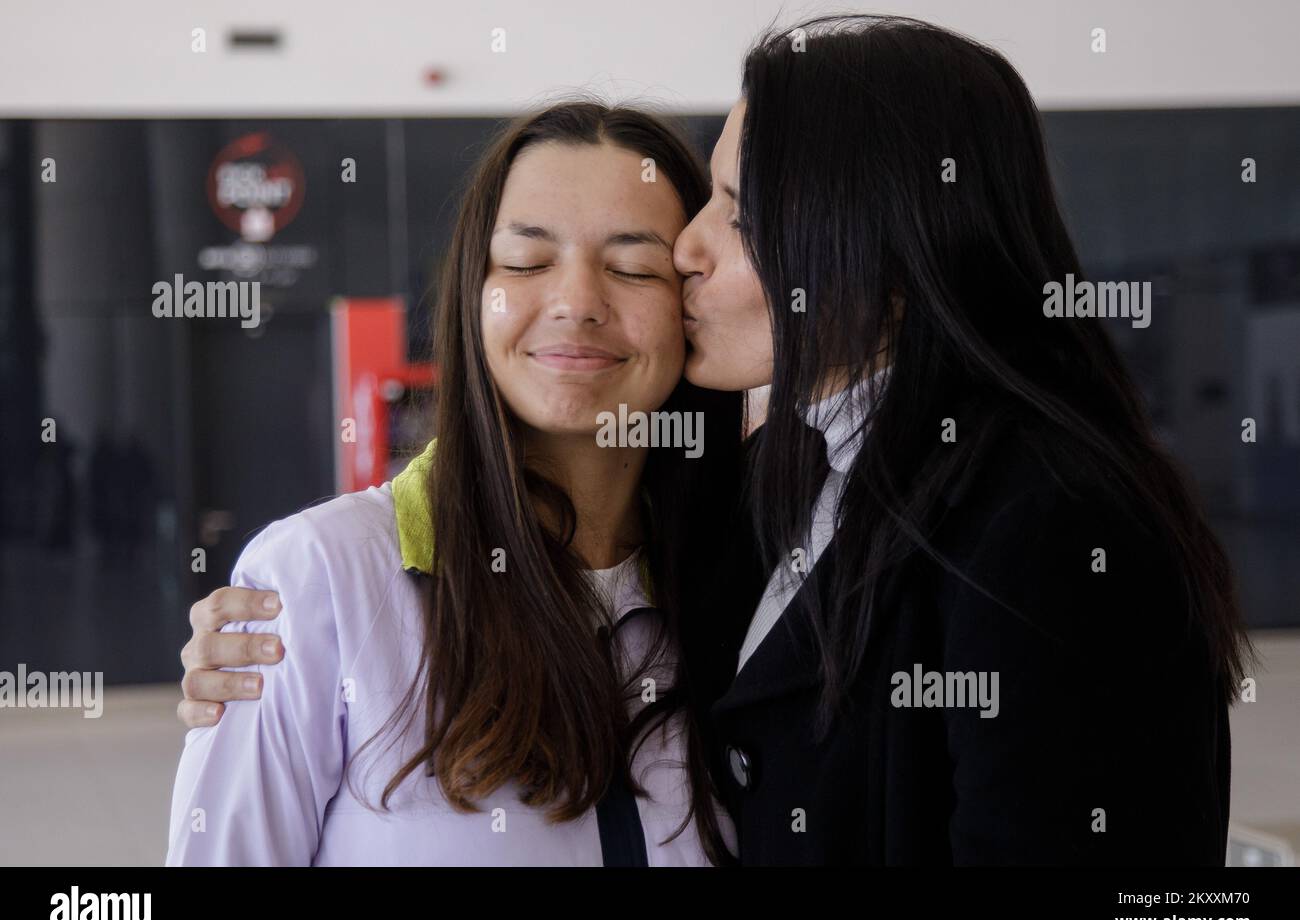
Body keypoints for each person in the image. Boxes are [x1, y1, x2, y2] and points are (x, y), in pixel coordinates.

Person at [180, 15, 1252, 866]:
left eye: (719, 217)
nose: (687, 253)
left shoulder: (1022, 517)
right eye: (526, 258)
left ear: (868, 234)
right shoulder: (324, 581)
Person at [166, 101, 741, 865]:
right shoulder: (320, 581)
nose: (575, 303)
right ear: (473, 295)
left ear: (691, 306)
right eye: (528, 262)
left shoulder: (752, 579)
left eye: (634, 266)